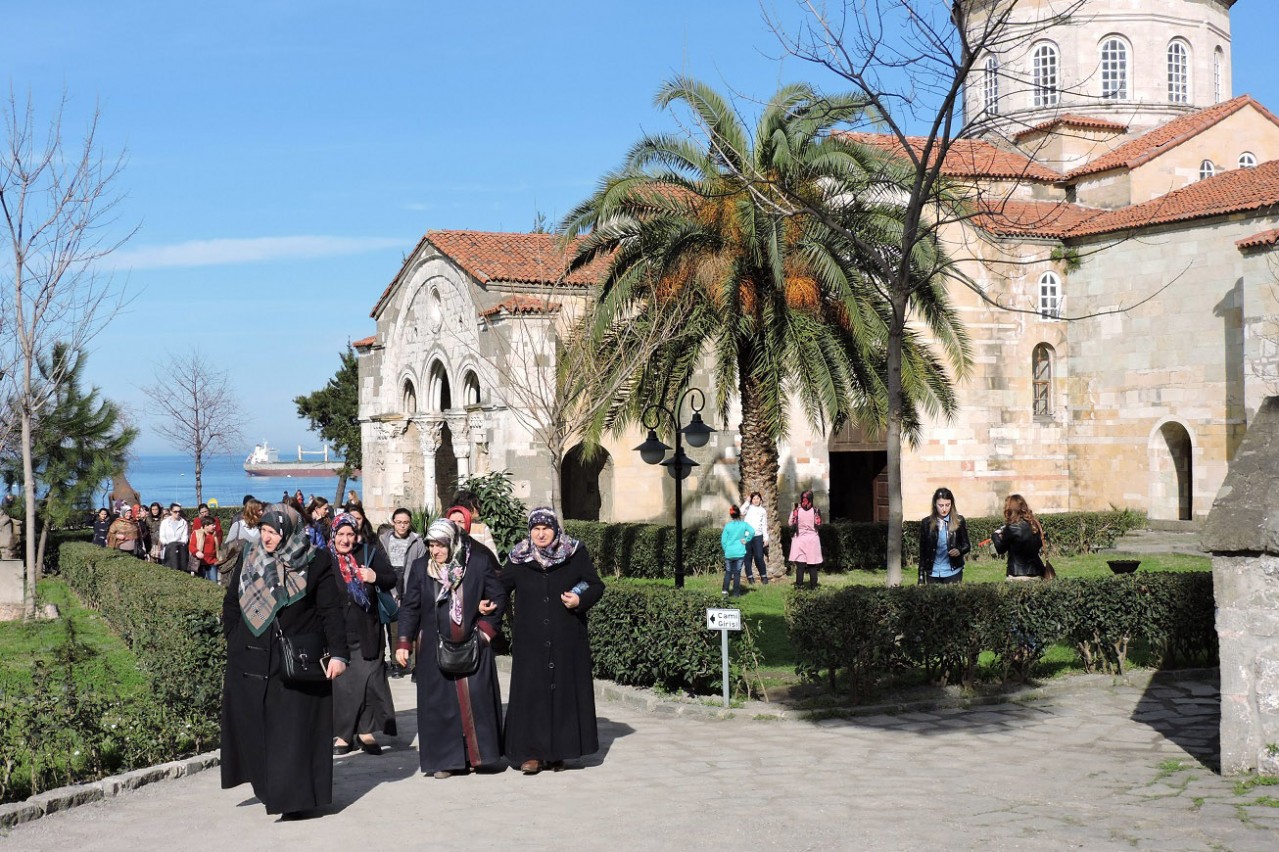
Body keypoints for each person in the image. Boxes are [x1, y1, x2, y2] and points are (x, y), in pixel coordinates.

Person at [220, 503, 349, 818]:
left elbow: (331, 610)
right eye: (263, 530)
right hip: (249, 660)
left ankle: (293, 799)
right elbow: (231, 602)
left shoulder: (315, 561)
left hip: (294, 660)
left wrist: (339, 654)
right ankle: (268, 789)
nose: (267, 537)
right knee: (254, 729)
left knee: (290, 732)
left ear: (289, 532)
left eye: (274, 532)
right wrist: (234, 636)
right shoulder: (249, 558)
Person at [395, 519, 506, 778]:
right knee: (439, 703)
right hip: (434, 648)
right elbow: (410, 606)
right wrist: (403, 642)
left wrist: (487, 631)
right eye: (431, 545)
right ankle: (446, 761)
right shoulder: (423, 568)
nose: (436, 551)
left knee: (475, 699)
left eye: (441, 545)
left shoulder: (476, 564)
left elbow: (498, 596)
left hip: (473, 645)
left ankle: (479, 757)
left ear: (453, 543)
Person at [500, 507, 605, 775]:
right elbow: (500, 587)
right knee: (532, 695)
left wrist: (580, 599)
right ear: (530, 531)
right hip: (530, 642)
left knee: (563, 694)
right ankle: (532, 754)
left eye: (546, 528)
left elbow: (595, 584)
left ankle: (559, 753)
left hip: (566, 637)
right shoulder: (519, 557)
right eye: (536, 528)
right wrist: (487, 604)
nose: (541, 533)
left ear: (556, 529)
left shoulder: (574, 553)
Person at [329, 512, 397, 756]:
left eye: (350, 534)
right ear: (333, 534)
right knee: (344, 685)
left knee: (370, 682)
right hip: (338, 633)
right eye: (341, 534)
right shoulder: (325, 559)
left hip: (369, 629)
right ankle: (344, 734)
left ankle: (366, 732)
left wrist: (374, 577)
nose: (346, 539)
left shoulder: (368, 553)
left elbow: (391, 578)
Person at [378, 507, 427, 677]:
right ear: (393, 522)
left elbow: (422, 563)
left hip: (410, 583)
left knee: (412, 624)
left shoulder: (417, 541)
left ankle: (414, 665)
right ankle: (396, 663)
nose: (402, 526)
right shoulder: (384, 539)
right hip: (390, 582)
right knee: (393, 627)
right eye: (399, 522)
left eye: (405, 522)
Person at [917, 487, 971, 585]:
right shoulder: (926, 523)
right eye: (941, 505)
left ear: (952, 504)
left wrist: (959, 550)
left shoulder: (959, 521)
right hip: (933, 573)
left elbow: (967, 545)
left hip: (953, 571)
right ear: (935, 505)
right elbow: (923, 552)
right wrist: (921, 576)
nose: (944, 509)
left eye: (947, 505)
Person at [991, 493, 1048, 581]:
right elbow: (1038, 545)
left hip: (1016, 574)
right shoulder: (1035, 525)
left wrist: (995, 536)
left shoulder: (1011, 528)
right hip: (1036, 572)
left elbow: (1000, 549)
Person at [788, 490, 823, 590]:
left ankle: (799, 587)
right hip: (812, 540)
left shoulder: (796, 510)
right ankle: (814, 587)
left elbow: (790, 523)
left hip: (799, 540)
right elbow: (819, 525)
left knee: (800, 566)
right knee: (812, 565)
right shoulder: (816, 511)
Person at [449, 490, 499, 557]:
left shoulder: (482, 527)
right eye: (475, 504)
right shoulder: (450, 526)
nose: (478, 507)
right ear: (467, 506)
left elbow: (492, 553)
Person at [720, 504, 754, 597]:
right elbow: (752, 531)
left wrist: (726, 549)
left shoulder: (728, 526)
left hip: (729, 553)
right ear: (739, 514)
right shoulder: (744, 524)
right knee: (737, 573)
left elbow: (723, 540)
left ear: (731, 515)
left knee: (728, 572)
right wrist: (746, 539)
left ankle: (725, 591)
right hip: (739, 552)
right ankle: (736, 593)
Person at [739, 491, 769, 585]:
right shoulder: (748, 508)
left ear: (760, 500)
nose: (756, 500)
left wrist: (766, 538)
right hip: (747, 536)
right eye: (754, 499)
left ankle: (763, 576)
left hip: (758, 536)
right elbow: (740, 512)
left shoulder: (762, 511)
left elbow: (764, 525)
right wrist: (747, 502)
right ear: (752, 500)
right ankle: (750, 577)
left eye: (757, 498)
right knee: (747, 558)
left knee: (759, 557)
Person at [159, 504, 190, 571]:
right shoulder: (165, 522)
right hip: (168, 549)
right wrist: (169, 544)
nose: (177, 513)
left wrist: (179, 544)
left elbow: (185, 536)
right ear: (171, 512)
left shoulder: (183, 522)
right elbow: (162, 536)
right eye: (175, 511)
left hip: (180, 549)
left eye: (179, 511)